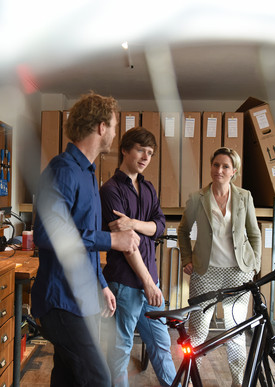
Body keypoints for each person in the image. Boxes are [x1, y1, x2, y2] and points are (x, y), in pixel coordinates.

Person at [31, 92, 141, 387]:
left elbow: (82, 244)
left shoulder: (88, 173)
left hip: (82, 297)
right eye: (115, 126)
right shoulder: (63, 169)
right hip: (62, 302)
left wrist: (101, 284)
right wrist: (112, 240)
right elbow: (46, 233)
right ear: (101, 127)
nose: (116, 133)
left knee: (67, 378)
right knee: (98, 378)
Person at [177, 147, 261, 387]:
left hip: (238, 273)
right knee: (198, 332)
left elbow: (254, 234)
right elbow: (183, 231)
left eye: (225, 166)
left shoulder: (244, 197)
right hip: (206, 273)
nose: (219, 170)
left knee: (235, 331)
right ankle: (191, 381)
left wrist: (254, 265)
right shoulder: (197, 198)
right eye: (216, 165)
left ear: (234, 171)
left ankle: (238, 382)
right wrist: (186, 259)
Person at [100, 127, 176, 387]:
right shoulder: (110, 190)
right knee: (120, 350)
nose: (146, 157)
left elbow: (160, 226)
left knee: (162, 346)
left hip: (149, 284)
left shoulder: (148, 188)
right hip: (125, 284)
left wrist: (133, 222)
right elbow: (126, 244)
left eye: (151, 153)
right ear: (125, 149)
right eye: (141, 150)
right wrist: (147, 282)